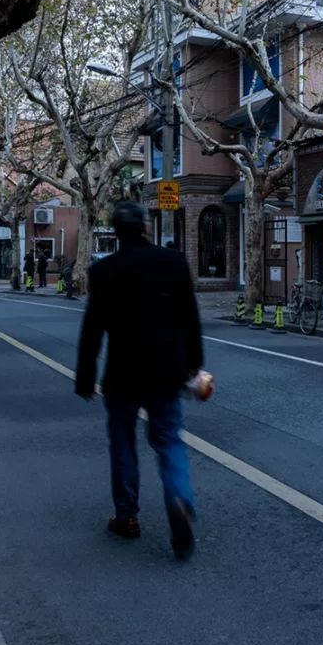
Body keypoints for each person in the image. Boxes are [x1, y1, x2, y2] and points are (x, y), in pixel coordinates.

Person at [75, 202, 202, 558]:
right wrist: (194, 365)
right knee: (168, 440)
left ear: (115, 231)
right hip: (167, 371)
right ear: (145, 226)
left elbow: (92, 330)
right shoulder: (173, 262)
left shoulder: (103, 271)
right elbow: (190, 319)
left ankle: (127, 516)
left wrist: (85, 377)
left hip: (123, 372)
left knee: (122, 443)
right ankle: (179, 498)